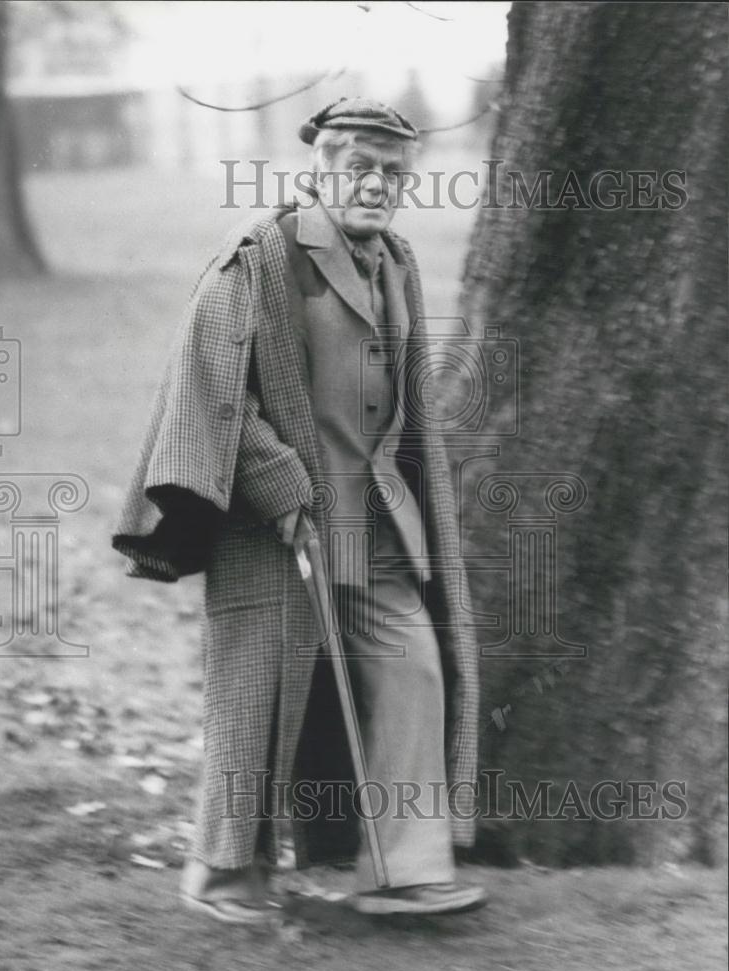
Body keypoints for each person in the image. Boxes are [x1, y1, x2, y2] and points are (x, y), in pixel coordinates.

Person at [113, 97, 484, 923]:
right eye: (362, 169)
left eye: (395, 174)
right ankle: (223, 879)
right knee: (259, 698)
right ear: (323, 168)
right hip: (273, 532)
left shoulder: (397, 260)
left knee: (415, 667)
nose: (379, 186)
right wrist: (280, 483)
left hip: (376, 527)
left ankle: (406, 870)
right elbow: (208, 391)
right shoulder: (260, 257)